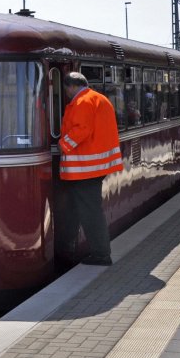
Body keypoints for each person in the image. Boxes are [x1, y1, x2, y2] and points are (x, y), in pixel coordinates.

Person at [57, 71, 123, 266]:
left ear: (71, 86)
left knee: (90, 212)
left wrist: (62, 145)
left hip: (85, 168)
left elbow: (81, 129)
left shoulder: (82, 102)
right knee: (88, 209)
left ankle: (101, 254)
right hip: (95, 167)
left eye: (66, 89)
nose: (67, 94)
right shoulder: (99, 99)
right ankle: (80, 249)